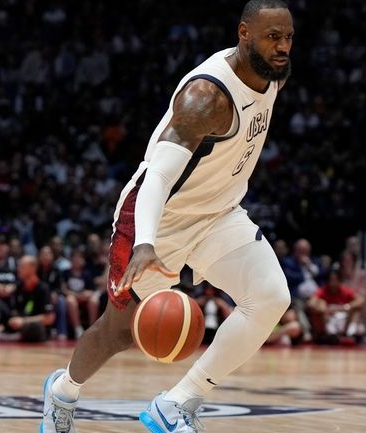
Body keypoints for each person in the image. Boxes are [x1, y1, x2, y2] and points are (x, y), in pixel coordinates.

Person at [41, 2, 294, 432]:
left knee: (271, 297)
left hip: (219, 213)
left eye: (288, 37)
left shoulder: (275, 72)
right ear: (244, 32)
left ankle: (177, 403)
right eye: (273, 37)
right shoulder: (206, 97)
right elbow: (157, 175)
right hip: (159, 216)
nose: (283, 47)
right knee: (119, 332)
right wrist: (144, 242)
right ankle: (62, 392)